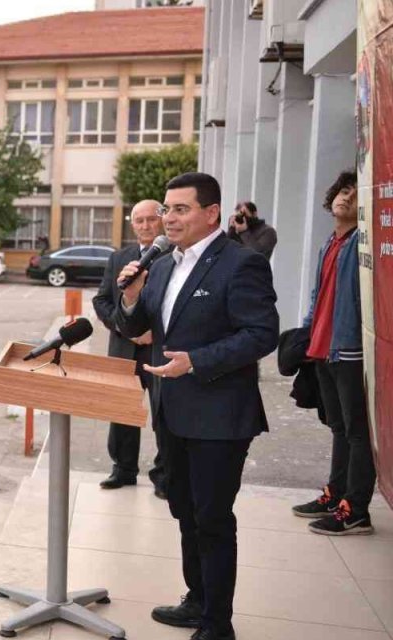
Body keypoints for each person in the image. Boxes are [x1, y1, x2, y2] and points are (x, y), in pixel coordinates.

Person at [113, 172, 278, 640]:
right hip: (172, 411)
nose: (169, 218)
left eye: (180, 209)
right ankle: (197, 599)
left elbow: (261, 334)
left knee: (212, 518)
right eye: (167, 209)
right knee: (184, 509)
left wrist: (197, 362)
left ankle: (217, 622)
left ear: (212, 214)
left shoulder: (240, 264)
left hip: (220, 416)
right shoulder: (163, 264)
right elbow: (140, 324)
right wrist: (129, 296)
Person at [292, 171, 376, 536]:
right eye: (343, 191)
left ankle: (356, 509)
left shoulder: (361, 242)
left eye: (356, 194)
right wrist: (308, 335)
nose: (346, 197)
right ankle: (335, 494)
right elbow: (317, 294)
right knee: (339, 427)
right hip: (324, 349)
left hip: (349, 351)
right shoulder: (331, 242)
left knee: (358, 431)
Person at [92, 200, 168, 498]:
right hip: (125, 350)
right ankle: (123, 470)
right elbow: (102, 301)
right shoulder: (119, 258)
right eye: (139, 220)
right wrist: (126, 328)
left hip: (161, 353)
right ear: (132, 224)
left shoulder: (175, 258)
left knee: (165, 414)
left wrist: (153, 333)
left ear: (161, 221)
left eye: (151, 219)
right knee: (122, 411)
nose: (146, 225)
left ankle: (165, 476)